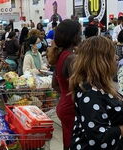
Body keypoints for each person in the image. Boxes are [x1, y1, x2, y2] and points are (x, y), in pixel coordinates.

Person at [69, 36, 123, 150]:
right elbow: (99, 137)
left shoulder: (100, 87)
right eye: (112, 55)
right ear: (102, 61)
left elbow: (106, 115)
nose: (116, 57)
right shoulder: (90, 93)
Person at [48, 19, 81, 150]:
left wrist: (65, 93)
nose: (81, 37)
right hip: (72, 107)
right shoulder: (72, 58)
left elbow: (54, 84)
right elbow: (79, 87)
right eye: (79, 33)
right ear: (73, 36)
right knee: (75, 142)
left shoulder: (61, 55)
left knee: (68, 140)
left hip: (64, 105)